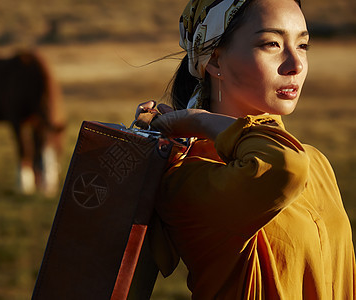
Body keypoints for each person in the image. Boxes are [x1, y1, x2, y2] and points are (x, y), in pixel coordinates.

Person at [136, 0, 356, 298]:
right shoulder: (192, 173)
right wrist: (199, 122)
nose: (296, 64)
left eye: (303, 45)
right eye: (271, 44)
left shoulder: (317, 164)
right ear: (213, 61)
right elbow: (283, 166)